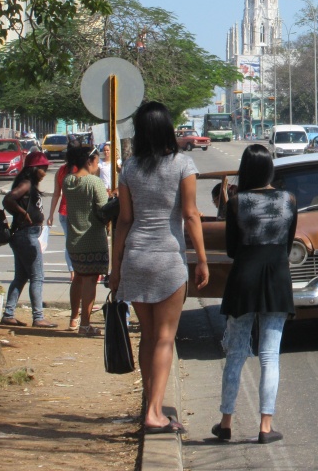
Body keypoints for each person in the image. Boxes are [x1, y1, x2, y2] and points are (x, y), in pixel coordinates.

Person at [109, 101, 209, 435]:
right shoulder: (183, 164)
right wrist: (202, 260)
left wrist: (116, 266)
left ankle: (148, 407)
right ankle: (155, 412)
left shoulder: (129, 168)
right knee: (166, 338)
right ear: (167, 128)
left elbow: (123, 220)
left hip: (136, 256)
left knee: (148, 337)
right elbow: (191, 215)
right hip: (168, 259)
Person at [212, 144, 296, 445]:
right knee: (270, 355)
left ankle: (225, 423)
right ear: (270, 168)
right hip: (276, 278)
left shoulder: (237, 202)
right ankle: (265, 426)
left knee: (236, 353)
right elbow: (287, 246)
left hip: (243, 279)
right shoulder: (289, 200)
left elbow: (232, 249)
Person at [1, 151, 57, 328]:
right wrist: (23, 212)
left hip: (25, 234)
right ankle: (38, 317)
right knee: (37, 276)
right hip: (26, 235)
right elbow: (8, 199)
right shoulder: (25, 184)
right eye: (42, 168)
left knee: (21, 277)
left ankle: (9, 313)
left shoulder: (29, 183)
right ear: (34, 169)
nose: (45, 172)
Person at [63, 146, 109, 335]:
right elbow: (104, 209)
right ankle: (85, 325)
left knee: (78, 278)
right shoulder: (94, 182)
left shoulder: (68, 181)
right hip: (92, 239)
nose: (97, 166)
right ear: (89, 161)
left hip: (74, 238)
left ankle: (74, 318)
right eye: (97, 162)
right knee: (91, 280)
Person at [48, 142, 81, 280]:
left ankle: (72, 272)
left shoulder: (61, 171)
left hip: (64, 211)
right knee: (80, 243)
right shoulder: (81, 170)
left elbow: (56, 194)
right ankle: (79, 271)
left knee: (69, 243)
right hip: (79, 212)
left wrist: (50, 215)